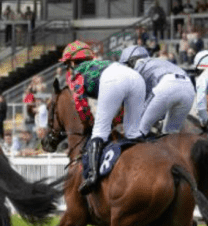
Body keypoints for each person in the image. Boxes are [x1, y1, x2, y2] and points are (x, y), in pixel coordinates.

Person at [60, 40, 146, 195]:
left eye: (67, 64)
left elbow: (80, 103)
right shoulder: (103, 64)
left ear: (72, 62)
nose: (67, 68)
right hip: (136, 78)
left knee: (99, 132)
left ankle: (91, 177)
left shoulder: (76, 73)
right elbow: (119, 105)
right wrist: (116, 120)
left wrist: (88, 122)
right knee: (133, 132)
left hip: (113, 80)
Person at [119, 45, 196, 136]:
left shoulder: (139, 66)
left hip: (168, 85)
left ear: (132, 61)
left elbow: (144, 101)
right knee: (171, 134)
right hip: (188, 87)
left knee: (139, 130)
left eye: (127, 65)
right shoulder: (158, 61)